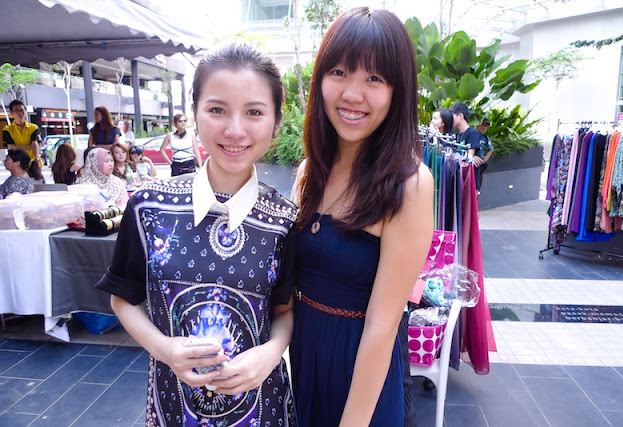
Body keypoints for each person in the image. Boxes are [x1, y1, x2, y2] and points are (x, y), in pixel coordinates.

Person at [95, 42, 297, 426]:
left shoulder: (285, 221)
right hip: (173, 405)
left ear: (275, 122)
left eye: (254, 112)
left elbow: (284, 312)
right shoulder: (148, 207)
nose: (234, 129)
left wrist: (271, 354)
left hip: (261, 408)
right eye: (217, 109)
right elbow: (123, 299)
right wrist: (164, 349)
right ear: (194, 115)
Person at [290, 7, 434, 426]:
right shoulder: (309, 171)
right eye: (339, 72)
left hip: (361, 378)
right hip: (304, 359)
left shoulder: (409, 184)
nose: (352, 94)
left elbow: (383, 326)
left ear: (397, 91)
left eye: (374, 78)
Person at [2, 100, 42, 167]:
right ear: (11, 113)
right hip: (16, 165)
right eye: (16, 110)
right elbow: (11, 148)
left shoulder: (34, 127)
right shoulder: (7, 129)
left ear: (25, 112)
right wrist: (30, 146)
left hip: (33, 163)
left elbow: (36, 143)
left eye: (22, 110)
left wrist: (37, 159)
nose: (20, 113)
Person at [474, 117, 494, 192]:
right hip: (472, 162)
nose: (484, 127)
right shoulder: (472, 134)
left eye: (486, 126)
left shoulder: (485, 138)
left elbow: (491, 148)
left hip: (480, 163)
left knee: (478, 183)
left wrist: (486, 158)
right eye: (482, 125)